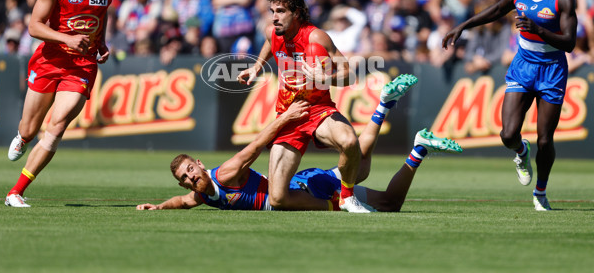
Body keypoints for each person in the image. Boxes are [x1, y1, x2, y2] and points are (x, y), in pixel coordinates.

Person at [136, 76, 463, 212]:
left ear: (199, 163)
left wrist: (286, 117)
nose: (191, 178)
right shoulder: (201, 194)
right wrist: (159, 206)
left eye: (191, 170)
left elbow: (256, 145)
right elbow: (182, 201)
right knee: (361, 168)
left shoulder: (224, 175)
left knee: (372, 183)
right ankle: (406, 132)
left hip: (306, 191)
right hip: (303, 182)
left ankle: (402, 128)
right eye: (186, 178)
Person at [442, 0, 578, 211]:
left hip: (552, 69)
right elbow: (497, 10)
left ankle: (540, 192)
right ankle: (520, 152)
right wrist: (463, 25)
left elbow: (570, 43)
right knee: (507, 134)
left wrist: (538, 29)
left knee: (544, 139)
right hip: (524, 64)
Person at [5, 0, 120, 207]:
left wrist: (101, 41)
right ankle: (24, 137)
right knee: (31, 128)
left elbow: (98, 17)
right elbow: (34, 26)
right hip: (50, 61)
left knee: (57, 126)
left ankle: (16, 192)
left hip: (81, 65)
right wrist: (67, 38)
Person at [235, 0, 372, 213]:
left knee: (348, 141)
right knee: (277, 199)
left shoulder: (316, 36)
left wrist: (324, 78)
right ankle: (331, 203)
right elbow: (270, 43)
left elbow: (349, 74)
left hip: (317, 109)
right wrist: (257, 66)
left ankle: (347, 197)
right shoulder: (272, 31)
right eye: (272, 11)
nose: (275, 17)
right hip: (288, 116)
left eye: (280, 11)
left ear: (296, 12)